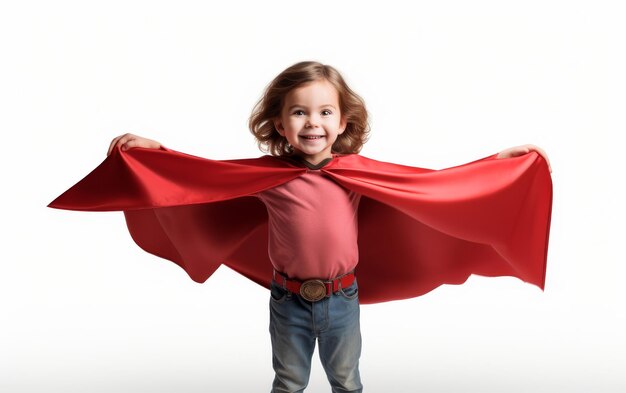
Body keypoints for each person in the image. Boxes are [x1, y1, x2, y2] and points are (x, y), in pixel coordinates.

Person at [100, 61, 552, 393]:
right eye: (298, 113)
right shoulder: (267, 177)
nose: (312, 122)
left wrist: (498, 164)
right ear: (279, 123)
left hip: (342, 298)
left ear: (342, 122)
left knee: (346, 379)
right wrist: (152, 153)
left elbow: (431, 185)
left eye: (324, 113)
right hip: (288, 299)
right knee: (290, 380)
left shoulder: (355, 172)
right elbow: (200, 178)